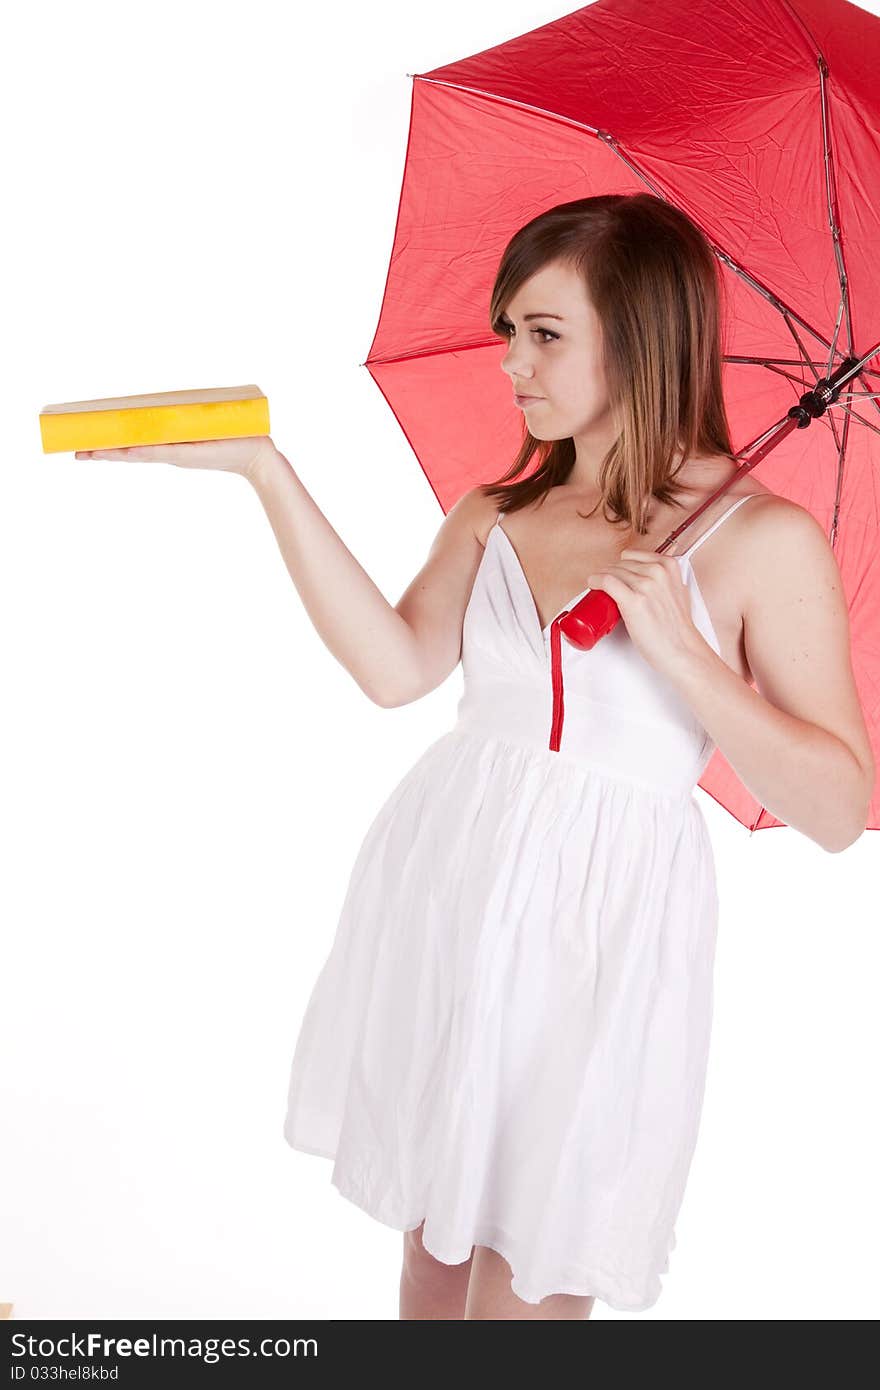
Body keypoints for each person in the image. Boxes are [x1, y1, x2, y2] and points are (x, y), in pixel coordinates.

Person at [75, 194, 874, 1320]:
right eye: (509, 330)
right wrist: (266, 472)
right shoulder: (499, 508)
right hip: (455, 883)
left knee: (528, 1283)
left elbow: (839, 807)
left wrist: (686, 657)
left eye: (544, 333)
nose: (513, 362)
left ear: (638, 337)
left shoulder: (762, 541)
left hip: (601, 924)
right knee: (432, 1262)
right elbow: (399, 666)